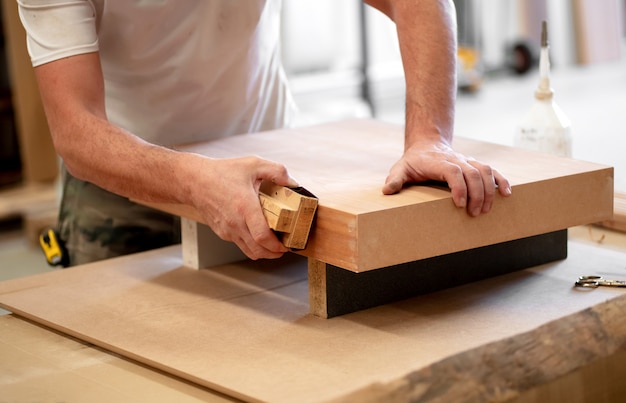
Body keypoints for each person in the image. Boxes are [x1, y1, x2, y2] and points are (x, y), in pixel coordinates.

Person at [18, 0, 511, 267]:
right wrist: (195, 181)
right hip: (121, 178)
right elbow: (76, 130)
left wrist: (428, 137)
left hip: (265, 177)